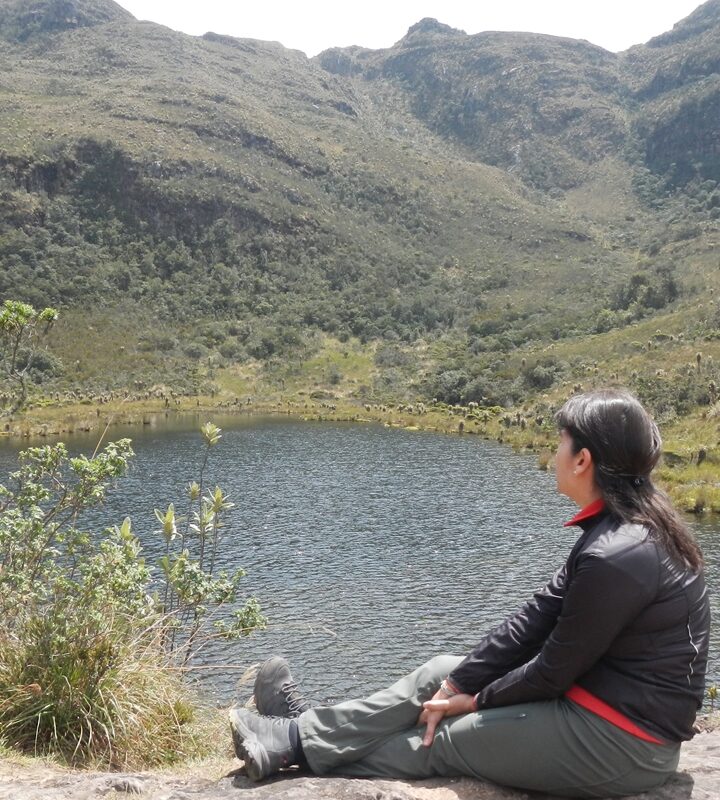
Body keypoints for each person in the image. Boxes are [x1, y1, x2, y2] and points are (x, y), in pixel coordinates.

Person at [229, 389, 711, 798]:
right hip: (595, 709)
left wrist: (474, 703)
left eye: (561, 442)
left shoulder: (616, 554)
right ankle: (301, 732)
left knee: (447, 739)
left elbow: (554, 669)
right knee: (442, 671)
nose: (555, 453)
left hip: (623, 742)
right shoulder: (622, 530)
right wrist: (459, 685)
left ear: (583, 459)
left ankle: (294, 744)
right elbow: (532, 621)